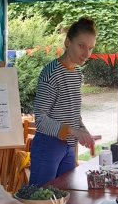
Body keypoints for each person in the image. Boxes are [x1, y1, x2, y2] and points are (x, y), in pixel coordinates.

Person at [30, 17, 98, 185]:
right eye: (81, 46)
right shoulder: (51, 73)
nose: (86, 53)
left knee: (67, 198)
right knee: (41, 198)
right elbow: (40, 119)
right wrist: (74, 131)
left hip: (68, 146)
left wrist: (84, 132)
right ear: (68, 42)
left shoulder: (77, 73)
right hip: (48, 145)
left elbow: (73, 112)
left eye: (90, 48)